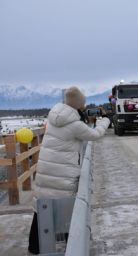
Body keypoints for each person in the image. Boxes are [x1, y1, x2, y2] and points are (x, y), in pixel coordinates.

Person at [28, 86, 110, 255]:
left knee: (41, 211)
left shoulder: (53, 118)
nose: (84, 108)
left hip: (46, 173)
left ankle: (33, 249)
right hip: (62, 176)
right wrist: (105, 121)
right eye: (83, 105)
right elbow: (95, 135)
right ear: (78, 105)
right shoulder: (74, 125)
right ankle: (71, 248)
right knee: (67, 215)